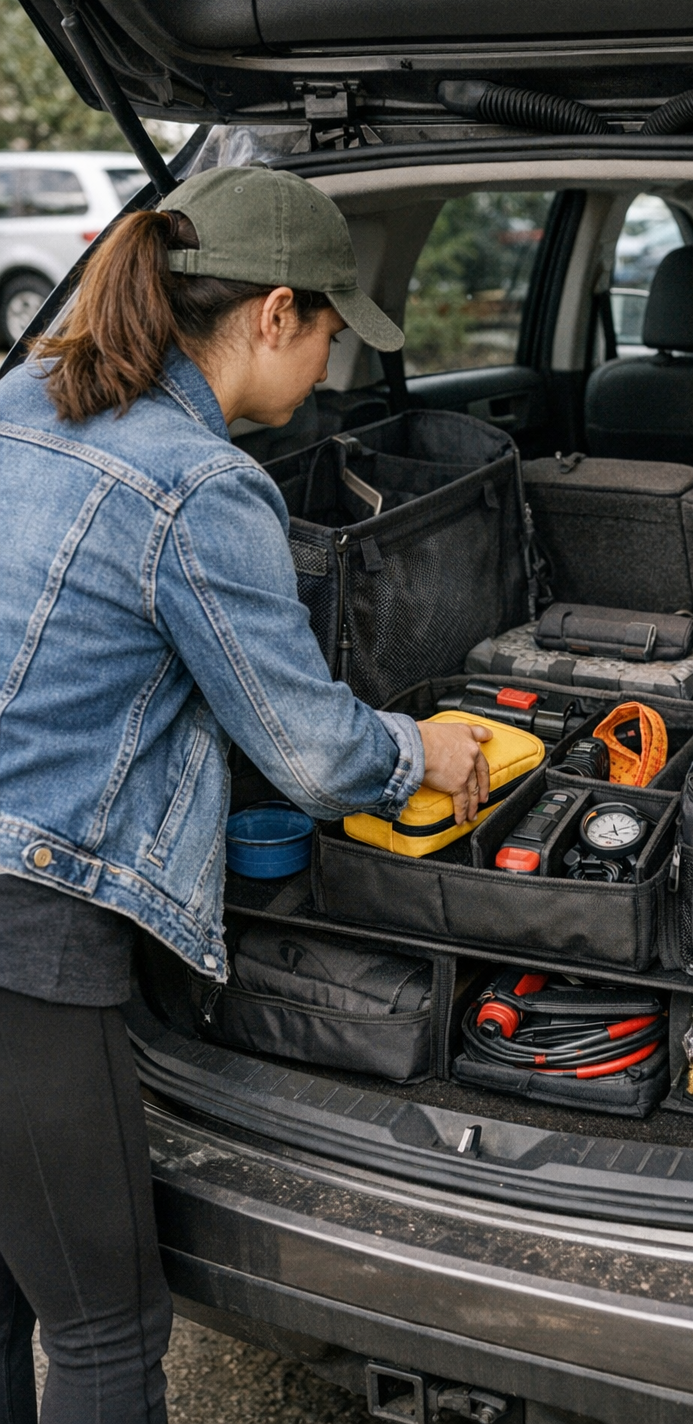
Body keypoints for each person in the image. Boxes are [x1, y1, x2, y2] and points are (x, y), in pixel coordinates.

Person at [0, 166, 491, 1423]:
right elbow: (314, 758)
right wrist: (423, 749)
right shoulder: (202, 485)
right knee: (104, 1330)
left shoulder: (18, 401)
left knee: (11, 1279)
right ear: (276, 313)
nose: (330, 370)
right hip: (22, 929)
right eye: (329, 333)